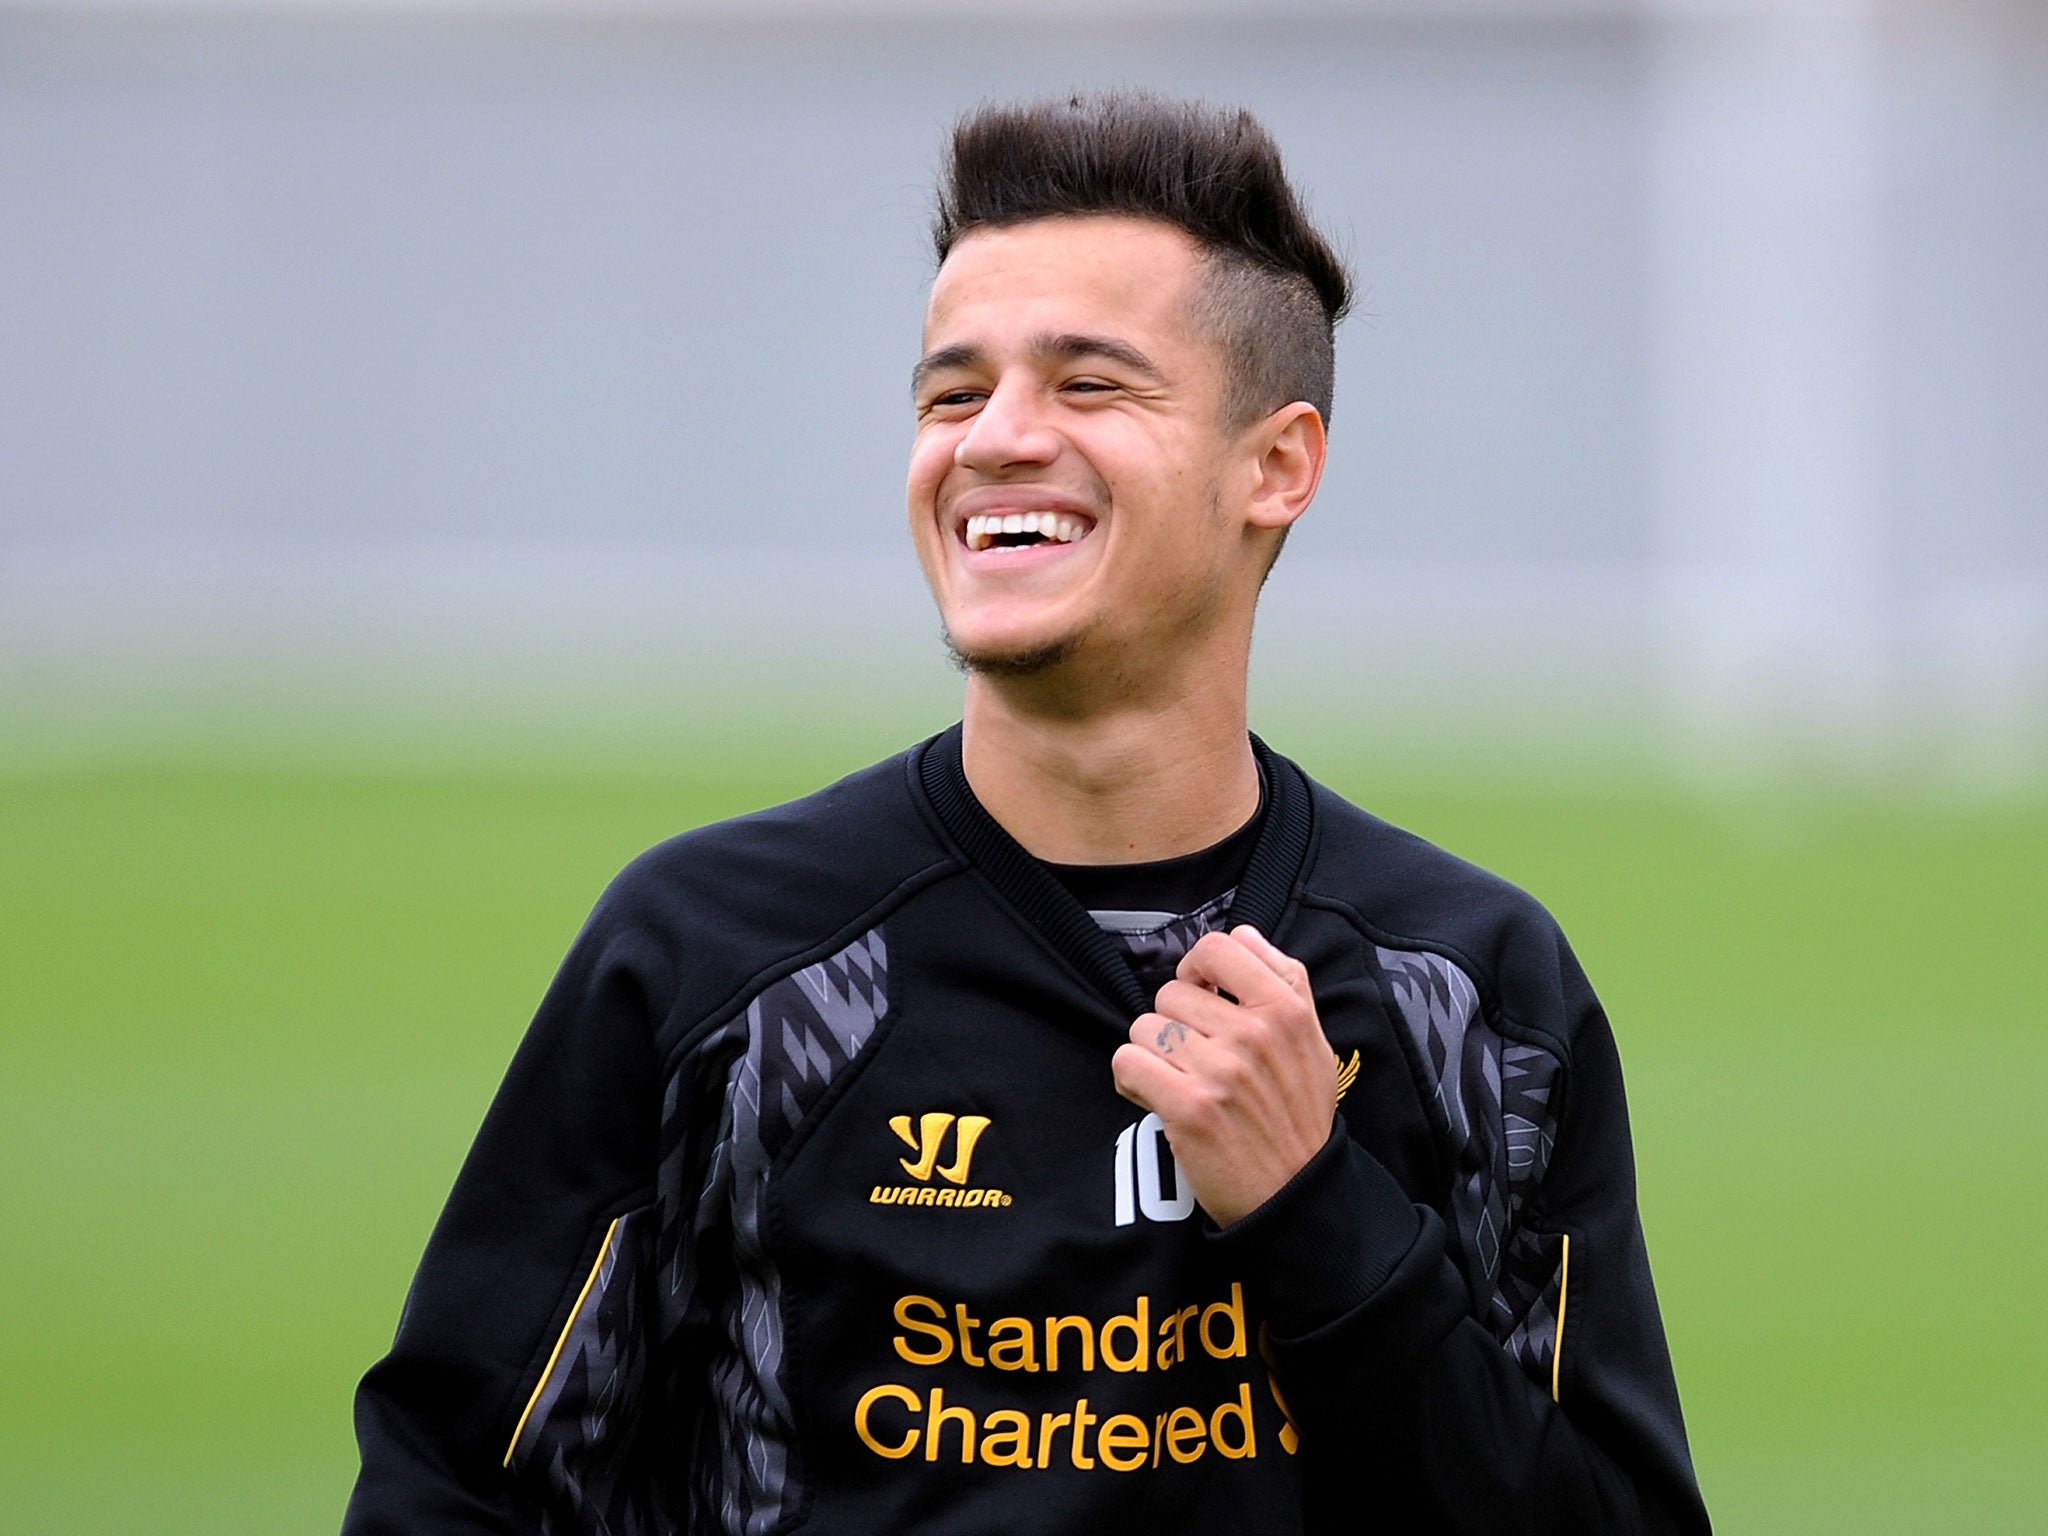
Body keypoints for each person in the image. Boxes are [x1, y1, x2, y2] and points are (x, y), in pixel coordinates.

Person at [343, 92, 1710, 1534]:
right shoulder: (714, 961)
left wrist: (1318, 1210)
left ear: (1277, 464)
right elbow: (454, 1492)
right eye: (952, 392)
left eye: (1089, 385)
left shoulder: (1467, 993)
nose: (993, 438)